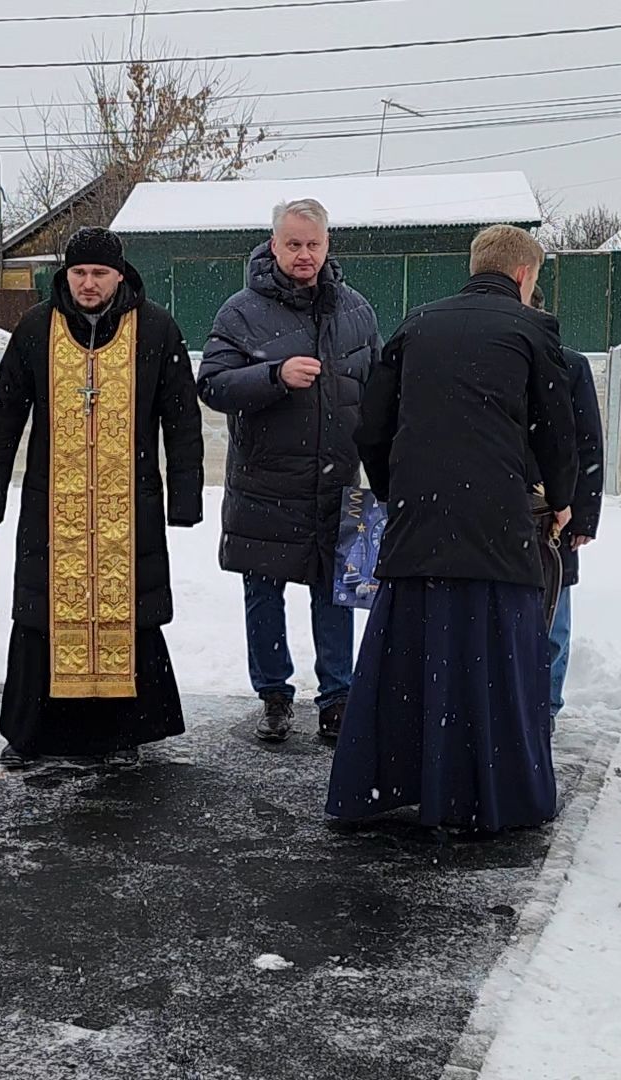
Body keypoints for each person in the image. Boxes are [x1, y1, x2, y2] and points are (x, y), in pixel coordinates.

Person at [326, 225, 577, 831]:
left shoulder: (416, 324)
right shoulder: (532, 330)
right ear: (524, 275)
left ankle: (390, 780)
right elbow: (555, 430)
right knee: (493, 659)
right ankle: (492, 793)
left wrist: (398, 492)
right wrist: (562, 498)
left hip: (419, 526)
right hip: (498, 527)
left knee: (411, 657)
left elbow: (371, 428)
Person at [0, 227, 204, 770]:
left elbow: (182, 419)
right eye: (79, 273)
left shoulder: (156, 328)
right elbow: (4, 414)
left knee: (129, 612)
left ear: (119, 275)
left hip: (130, 503)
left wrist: (185, 498)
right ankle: (31, 732)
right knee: (43, 613)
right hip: (52, 503)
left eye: (100, 273)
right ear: (66, 275)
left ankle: (123, 732)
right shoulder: (36, 327)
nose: (89, 284)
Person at [198, 199, 380, 744]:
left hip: (341, 483)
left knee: (339, 593)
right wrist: (273, 376)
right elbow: (212, 384)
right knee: (264, 593)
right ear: (274, 244)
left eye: (313, 244)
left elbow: (380, 390)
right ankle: (273, 696)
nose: (304, 254)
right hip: (265, 483)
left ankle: (338, 697)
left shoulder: (357, 310)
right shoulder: (240, 311)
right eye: (293, 244)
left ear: (328, 245)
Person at [529, 284, 603, 726]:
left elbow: (588, 443)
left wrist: (585, 515)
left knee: (554, 613)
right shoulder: (492, 360)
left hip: (557, 513)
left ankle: (546, 707)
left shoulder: (571, 365)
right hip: (506, 507)